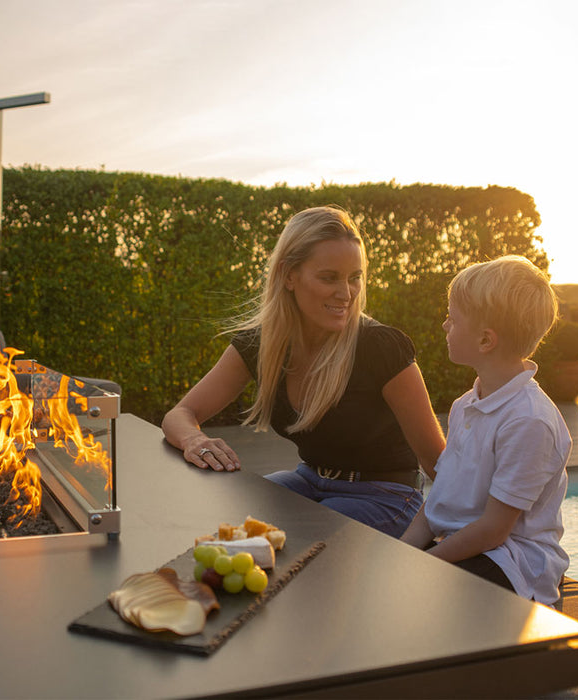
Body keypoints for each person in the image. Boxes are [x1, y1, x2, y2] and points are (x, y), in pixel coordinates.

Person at [161, 205, 445, 537]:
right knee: (227, 525)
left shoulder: (381, 348)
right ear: (288, 275)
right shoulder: (262, 344)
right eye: (329, 278)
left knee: (289, 540)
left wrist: (467, 542)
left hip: (385, 496)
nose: (346, 293)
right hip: (307, 481)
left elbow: (440, 465)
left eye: (355, 278)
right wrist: (195, 440)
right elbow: (180, 413)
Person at [400, 255, 571, 607]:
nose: (445, 324)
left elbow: (494, 530)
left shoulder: (529, 421)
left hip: (515, 566)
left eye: (453, 318)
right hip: (471, 547)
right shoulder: (468, 404)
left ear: (485, 341)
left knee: (417, 599)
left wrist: (423, 563)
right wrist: (399, 551)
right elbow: (439, 499)